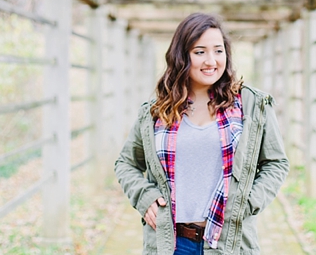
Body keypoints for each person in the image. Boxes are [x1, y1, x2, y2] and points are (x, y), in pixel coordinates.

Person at [115, 13, 289, 255]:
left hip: (229, 243)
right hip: (172, 243)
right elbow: (125, 163)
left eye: (218, 50)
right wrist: (144, 197)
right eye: (200, 52)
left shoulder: (250, 104)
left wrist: (247, 203)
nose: (211, 60)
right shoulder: (157, 110)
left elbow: (276, 163)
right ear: (181, 56)